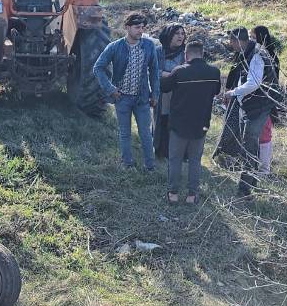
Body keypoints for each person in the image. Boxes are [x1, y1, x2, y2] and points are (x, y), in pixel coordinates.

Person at [213, 26, 280, 197]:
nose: (230, 46)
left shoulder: (256, 55)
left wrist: (232, 92)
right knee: (250, 145)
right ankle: (253, 181)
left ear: (236, 41)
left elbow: (253, 83)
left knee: (249, 147)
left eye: (231, 42)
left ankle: (245, 189)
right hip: (252, 105)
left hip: (258, 107)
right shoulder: (249, 51)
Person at [92, 12, 161, 170]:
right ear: (127, 28)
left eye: (143, 27)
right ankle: (127, 164)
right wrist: (110, 89)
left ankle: (150, 166)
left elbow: (155, 72)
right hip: (121, 97)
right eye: (137, 27)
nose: (140, 30)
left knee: (145, 133)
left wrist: (155, 94)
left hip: (142, 98)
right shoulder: (115, 47)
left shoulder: (149, 46)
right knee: (125, 133)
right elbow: (98, 68)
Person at [161, 40, 221, 204]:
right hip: (201, 124)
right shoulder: (214, 72)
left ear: (186, 55)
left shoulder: (179, 71)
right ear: (202, 54)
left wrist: (164, 74)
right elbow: (216, 91)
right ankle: (192, 196)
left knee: (175, 160)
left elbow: (164, 87)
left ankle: (173, 194)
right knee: (195, 161)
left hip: (179, 124)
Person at [251, 25, 282, 174]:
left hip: (264, 99)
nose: (251, 40)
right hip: (257, 99)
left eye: (253, 36)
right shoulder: (254, 54)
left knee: (264, 133)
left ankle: (264, 168)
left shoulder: (267, 57)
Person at [153, 24, 186, 160]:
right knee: (161, 121)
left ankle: (178, 153)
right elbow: (152, 70)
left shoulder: (185, 53)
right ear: (168, 36)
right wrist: (168, 73)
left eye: (182, 33)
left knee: (177, 123)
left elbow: (188, 71)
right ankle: (160, 151)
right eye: (176, 33)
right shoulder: (158, 51)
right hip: (162, 93)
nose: (180, 36)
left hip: (179, 94)